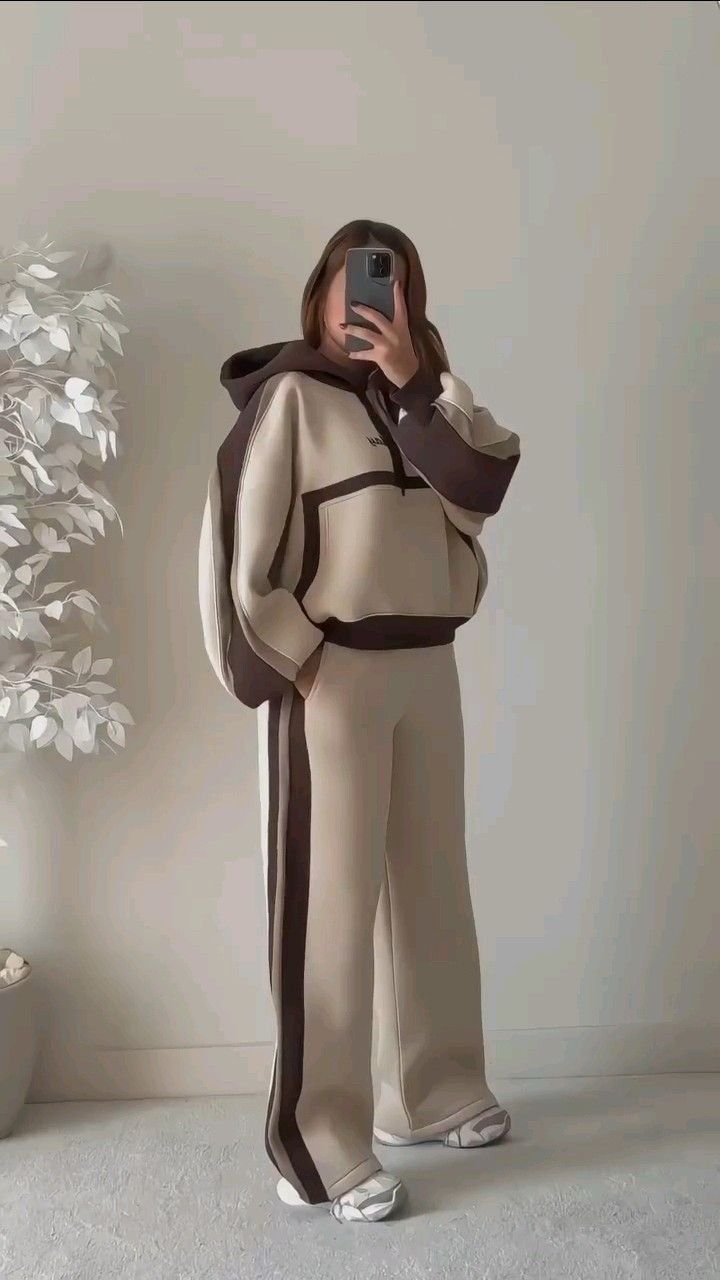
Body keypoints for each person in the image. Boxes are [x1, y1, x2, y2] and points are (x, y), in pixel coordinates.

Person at [197, 219, 522, 1224]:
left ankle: (433, 1089)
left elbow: (485, 485)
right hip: (331, 675)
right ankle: (318, 1144)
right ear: (320, 295)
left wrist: (418, 384)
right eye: (353, 282)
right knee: (328, 911)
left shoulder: (432, 398)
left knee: (433, 888)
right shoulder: (289, 400)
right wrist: (300, 658)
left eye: (390, 285)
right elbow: (236, 553)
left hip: (429, 665)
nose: (369, 302)